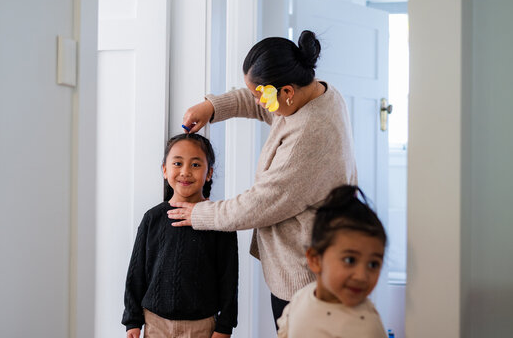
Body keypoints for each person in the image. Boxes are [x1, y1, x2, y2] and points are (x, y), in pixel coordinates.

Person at [168, 30, 358, 326]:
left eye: (261, 96)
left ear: (286, 92)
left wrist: (200, 213)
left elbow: (259, 204)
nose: (257, 101)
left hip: (306, 280)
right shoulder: (319, 93)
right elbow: (257, 97)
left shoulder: (308, 137)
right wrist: (213, 107)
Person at [122, 133, 238, 338]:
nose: (185, 172)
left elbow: (229, 278)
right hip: (155, 324)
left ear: (209, 173)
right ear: (165, 170)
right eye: (177, 163)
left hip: (201, 326)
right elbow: (136, 272)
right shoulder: (152, 218)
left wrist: (224, 326)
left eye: (195, 165)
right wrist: (132, 321)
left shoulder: (220, 220)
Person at [277, 185, 387, 338]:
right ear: (315, 260)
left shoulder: (367, 327)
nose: (361, 276)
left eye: (373, 264)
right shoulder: (300, 298)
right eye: (350, 260)